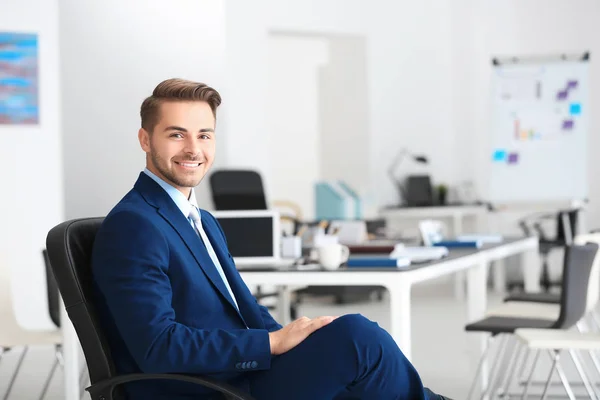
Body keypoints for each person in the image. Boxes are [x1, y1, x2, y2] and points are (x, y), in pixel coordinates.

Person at [91, 78, 452, 400]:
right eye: (176, 134)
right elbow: (158, 345)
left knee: (358, 367)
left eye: (204, 135)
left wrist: (295, 338)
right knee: (358, 339)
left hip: (240, 373)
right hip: (202, 387)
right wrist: (271, 343)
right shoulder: (135, 225)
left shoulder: (200, 219)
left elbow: (244, 308)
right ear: (145, 139)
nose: (193, 149)